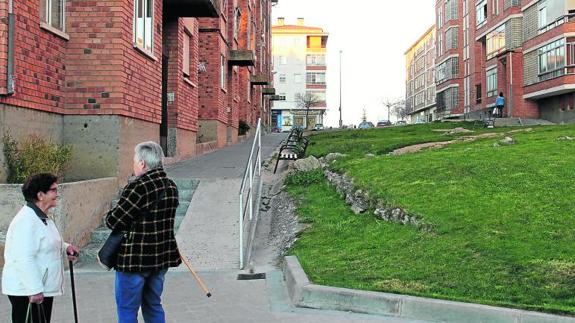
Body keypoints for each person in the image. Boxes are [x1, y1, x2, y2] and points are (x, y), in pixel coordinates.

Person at [105, 141, 181, 323]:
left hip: (134, 261)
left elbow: (113, 221)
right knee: (153, 305)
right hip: (161, 259)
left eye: (134, 160)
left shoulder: (137, 187)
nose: (133, 164)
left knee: (127, 309)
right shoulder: (171, 187)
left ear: (142, 163)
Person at [2, 173, 80, 323]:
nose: (57, 194)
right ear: (40, 195)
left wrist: (66, 247)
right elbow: (23, 257)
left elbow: (44, 241)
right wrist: (34, 289)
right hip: (27, 292)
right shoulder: (25, 221)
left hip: (40, 289)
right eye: (54, 190)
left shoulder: (41, 217)